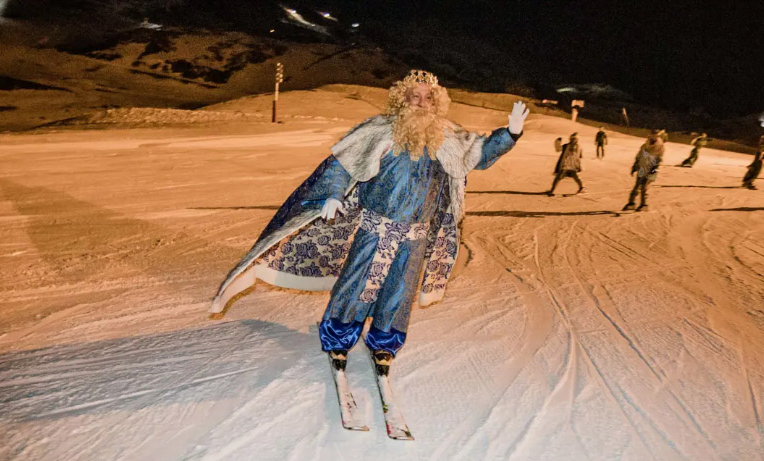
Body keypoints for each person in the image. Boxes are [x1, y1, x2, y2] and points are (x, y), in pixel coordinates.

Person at [207, 70, 527, 429]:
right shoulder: (380, 132)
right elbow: (340, 165)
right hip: (375, 231)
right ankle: (339, 336)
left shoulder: (447, 137)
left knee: (399, 294)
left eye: (428, 98)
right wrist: (331, 193)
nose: (421, 103)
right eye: (414, 97)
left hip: (415, 238)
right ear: (401, 99)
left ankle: (385, 343)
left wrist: (510, 134)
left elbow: (480, 153)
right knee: (358, 287)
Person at [623, 130, 664, 210]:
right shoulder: (645, 145)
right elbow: (639, 155)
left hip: (652, 168)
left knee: (644, 187)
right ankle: (631, 203)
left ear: (658, 136)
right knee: (637, 185)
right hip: (643, 167)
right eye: (652, 135)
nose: (653, 136)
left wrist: (654, 168)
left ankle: (643, 204)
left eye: (655, 135)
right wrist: (635, 165)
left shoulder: (660, 147)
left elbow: (659, 158)